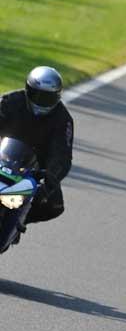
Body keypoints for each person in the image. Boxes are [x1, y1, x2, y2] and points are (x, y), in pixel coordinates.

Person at [0, 66, 73, 227]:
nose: (41, 102)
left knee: (54, 206)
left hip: (33, 172)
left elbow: (63, 154)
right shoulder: (9, 102)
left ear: (58, 97)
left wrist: (51, 176)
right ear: (28, 90)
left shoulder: (63, 120)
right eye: (37, 95)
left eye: (47, 98)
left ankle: (19, 221)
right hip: (3, 160)